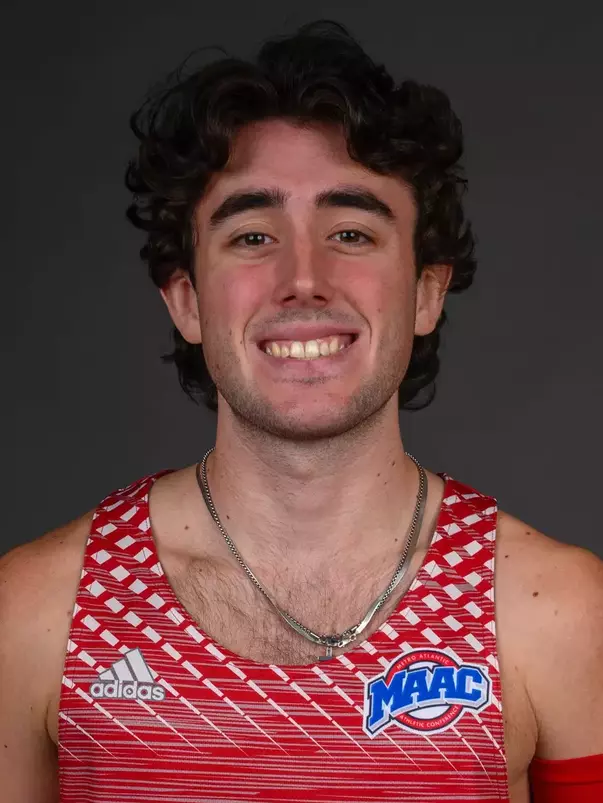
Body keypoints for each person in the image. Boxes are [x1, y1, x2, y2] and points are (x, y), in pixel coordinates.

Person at [1, 19, 601, 803]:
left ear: (425, 290)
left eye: (350, 231)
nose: (303, 279)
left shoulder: (559, 613)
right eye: (252, 235)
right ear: (186, 299)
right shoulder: (33, 615)